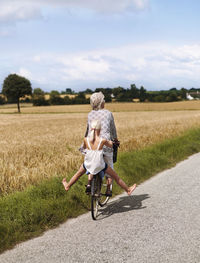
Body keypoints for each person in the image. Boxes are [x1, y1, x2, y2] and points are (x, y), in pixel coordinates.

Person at [62, 120, 136, 196]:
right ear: (100, 129)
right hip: (99, 164)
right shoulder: (102, 140)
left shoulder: (86, 139)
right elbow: (110, 145)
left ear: (91, 129)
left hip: (88, 163)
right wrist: (114, 143)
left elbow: (84, 148)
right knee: (116, 177)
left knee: (78, 174)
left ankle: (67, 186)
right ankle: (128, 190)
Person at [82, 91, 119, 196]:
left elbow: (88, 130)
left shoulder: (90, 114)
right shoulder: (108, 113)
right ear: (101, 103)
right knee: (109, 167)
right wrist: (115, 140)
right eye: (103, 100)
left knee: (91, 165)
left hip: (92, 143)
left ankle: (89, 184)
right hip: (105, 144)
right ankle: (108, 190)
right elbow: (113, 129)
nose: (105, 101)